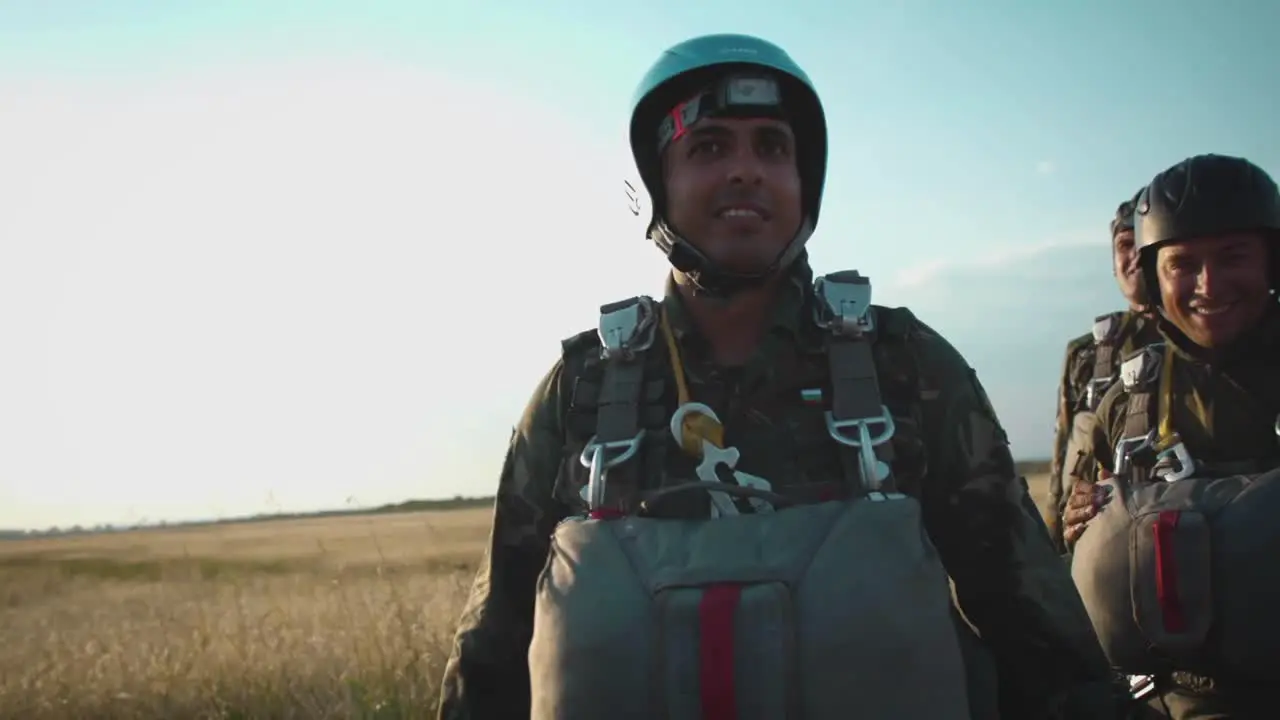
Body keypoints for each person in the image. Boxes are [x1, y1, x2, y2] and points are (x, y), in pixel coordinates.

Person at [437, 33, 1121, 720]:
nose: (746, 171)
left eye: (772, 147)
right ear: (651, 184)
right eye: (708, 148)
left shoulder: (906, 368)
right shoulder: (580, 392)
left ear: (805, 181)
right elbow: (495, 648)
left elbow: (1037, 634)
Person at [1064, 153, 1280, 718]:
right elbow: (1069, 547)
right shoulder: (1127, 401)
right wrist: (1081, 524)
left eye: (1233, 257)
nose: (1209, 285)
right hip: (1164, 698)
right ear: (1155, 277)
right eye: (1183, 264)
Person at [1045, 191, 1162, 553]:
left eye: (1144, 244)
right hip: (1094, 551)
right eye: (1124, 245)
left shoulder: (1206, 344)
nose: (1134, 258)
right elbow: (1060, 464)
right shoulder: (1085, 354)